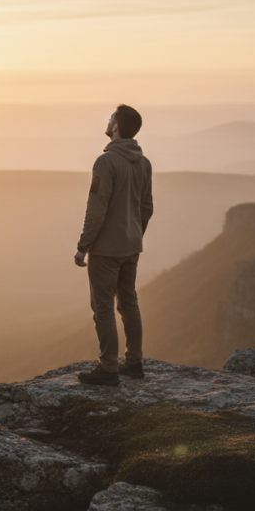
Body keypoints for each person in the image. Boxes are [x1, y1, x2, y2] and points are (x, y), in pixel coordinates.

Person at [73, 104, 153, 386]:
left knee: (103, 306)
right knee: (129, 302)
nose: (107, 122)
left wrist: (83, 246)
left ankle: (108, 368)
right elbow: (147, 207)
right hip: (132, 245)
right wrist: (135, 235)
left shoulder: (106, 162)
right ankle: (134, 362)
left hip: (106, 249)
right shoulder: (143, 163)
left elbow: (97, 209)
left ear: (116, 127)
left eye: (110, 119)